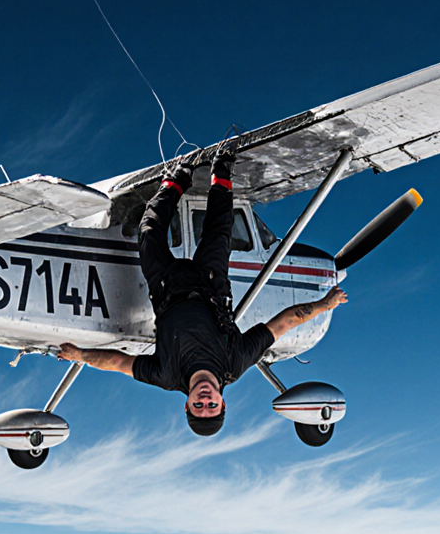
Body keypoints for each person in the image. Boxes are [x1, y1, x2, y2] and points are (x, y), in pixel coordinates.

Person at [58, 148, 348, 436]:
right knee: (218, 231)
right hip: (210, 286)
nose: (205, 399)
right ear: (223, 403)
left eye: (200, 405)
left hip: (166, 288)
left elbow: (118, 362)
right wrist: (324, 304)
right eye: (212, 405)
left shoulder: (165, 375)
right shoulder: (235, 362)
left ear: (187, 405)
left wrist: (81, 355)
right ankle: (222, 170)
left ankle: (178, 179)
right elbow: (282, 324)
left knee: (149, 231)